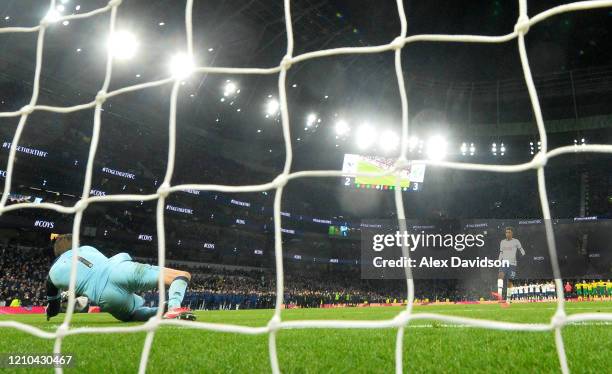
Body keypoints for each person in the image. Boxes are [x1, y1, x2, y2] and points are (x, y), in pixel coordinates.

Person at [46, 234, 195, 322]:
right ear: (75, 245)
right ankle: (174, 307)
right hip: (119, 270)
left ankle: (160, 311)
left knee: (132, 315)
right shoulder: (86, 249)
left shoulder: (52, 275)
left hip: (105, 297)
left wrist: (51, 312)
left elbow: (54, 308)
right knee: (181, 275)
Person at [492, 227, 525, 302]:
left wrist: (523, 255)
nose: (507, 234)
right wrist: (499, 261)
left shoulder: (516, 241)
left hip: (512, 264)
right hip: (504, 262)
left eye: (509, 232)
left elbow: (521, 249)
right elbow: (501, 252)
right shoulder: (502, 242)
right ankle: (499, 298)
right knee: (500, 277)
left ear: (512, 233)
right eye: (506, 232)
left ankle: (508, 299)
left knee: (510, 281)